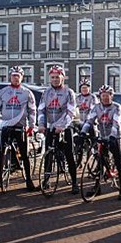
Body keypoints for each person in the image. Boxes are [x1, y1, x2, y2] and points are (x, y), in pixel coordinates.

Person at [0, 66, 37, 191]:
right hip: (6, 125)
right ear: (10, 77)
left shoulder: (27, 93)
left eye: (18, 76)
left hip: (20, 126)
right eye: (13, 76)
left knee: (24, 155)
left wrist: (32, 126)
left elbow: (32, 110)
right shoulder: (3, 92)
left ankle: (29, 181)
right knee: (2, 153)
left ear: (22, 77)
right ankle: (0, 178)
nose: (16, 78)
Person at [37, 65, 79, 194]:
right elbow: (41, 110)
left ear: (63, 77)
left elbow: (71, 112)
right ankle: (46, 180)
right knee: (48, 154)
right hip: (50, 127)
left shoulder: (69, 92)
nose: (55, 79)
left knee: (69, 154)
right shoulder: (46, 92)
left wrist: (62, 126)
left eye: (57, 77)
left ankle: (74, 182)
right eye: (52, 77)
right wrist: (41, 124)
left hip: (65, 127)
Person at [81, 85, 121, 200]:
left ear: (112, 96)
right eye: (103, 96)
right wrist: (83, 132)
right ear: (100, 97)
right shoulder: (96, 107)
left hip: (115, 137)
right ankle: (97, 187)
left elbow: (116, 122)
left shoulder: (117, 107)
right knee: (100, 162)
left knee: (118, 162)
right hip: (102, 136)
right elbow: (90, 120)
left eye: (108, 96)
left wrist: (112, 136)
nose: (105, 98)